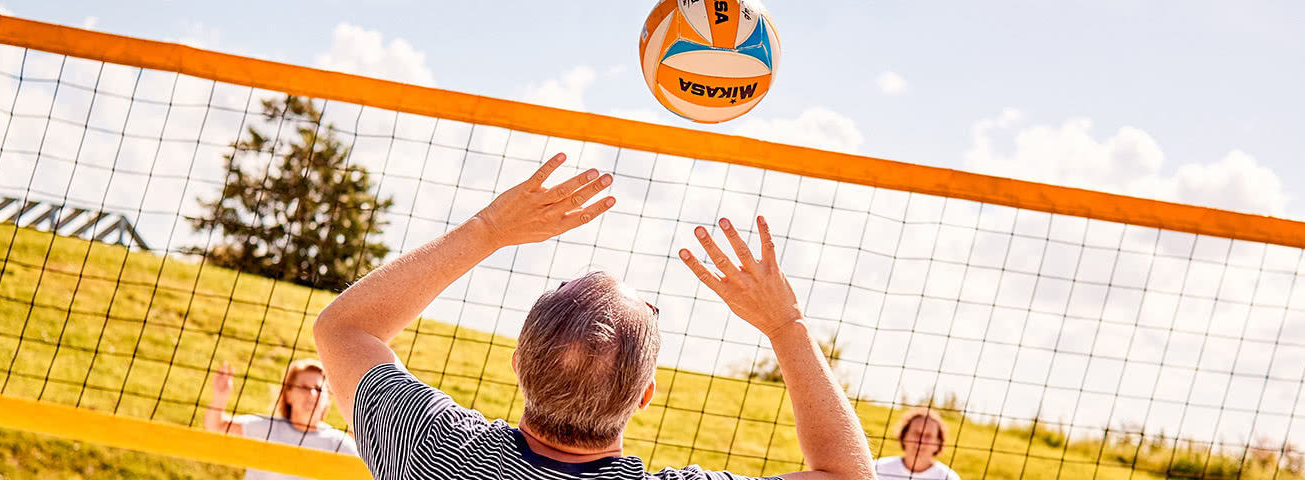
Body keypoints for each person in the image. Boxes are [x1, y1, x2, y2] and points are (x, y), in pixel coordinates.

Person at [314, 153, 874, 480]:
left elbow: (344, 328)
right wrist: (786, 327)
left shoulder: (434, 455)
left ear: (518, 365)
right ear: (645, 395)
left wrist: (488, 230)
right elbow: (847, 476)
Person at [206, 358, 359, 480]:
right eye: (305, 387)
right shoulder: (268, 428)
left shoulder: (339, 444)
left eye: (319, 389)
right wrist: (220, 397)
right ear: (288, 395)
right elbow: (217, 426)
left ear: (328, 399)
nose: (312, 394)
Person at [872, 408, 959, 480]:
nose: (921, 440)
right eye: (916, 433)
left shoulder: (948, 477)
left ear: (938, 443)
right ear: (904, 436)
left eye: (928, 436)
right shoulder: (876, 468)